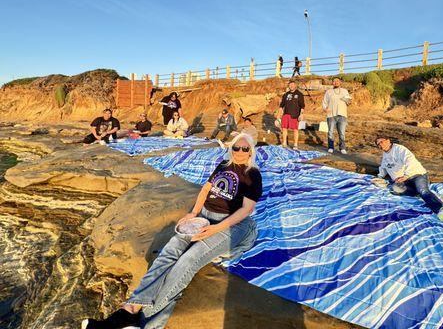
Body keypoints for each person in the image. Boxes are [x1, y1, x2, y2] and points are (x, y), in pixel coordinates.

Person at [81, 133, 262, 329]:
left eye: (245, 149)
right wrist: (192, 213)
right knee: (169, 252)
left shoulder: (252, 174)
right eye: (236, 148)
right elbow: (205, 190)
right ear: (231, 149)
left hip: (231, 224)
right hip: (203, 216)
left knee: (187, 261)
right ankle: (129, 311)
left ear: (250, 151)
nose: (240, 152)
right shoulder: (223, 165)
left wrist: (215, 229)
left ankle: (146, 322)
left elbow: (247, 209)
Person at [373, 135, 443, 223]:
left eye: (381, 141)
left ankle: (442, 210)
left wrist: (406, 175)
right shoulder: (385, 154)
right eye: (378, 144)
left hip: (416, 175)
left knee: (423, 191)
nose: (380, 144)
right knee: (395, 188)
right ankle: (427, 195)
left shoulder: (399, 149)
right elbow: (383, 167)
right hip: (404, 181)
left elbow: (410, 160)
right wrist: (380, 176)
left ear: (388, 140)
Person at [322, 77, 351, 154]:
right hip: (331, 114)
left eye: (337, 81)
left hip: (342, 114)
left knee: (342, 133)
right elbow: (324, 102)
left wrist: (346, 100)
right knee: (330, 132)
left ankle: (342, 148)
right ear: (332, 83)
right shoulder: (329, 92)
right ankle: (331, 147)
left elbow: (349, 101)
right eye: (334, 81)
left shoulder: (344, 91)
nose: (336, 82)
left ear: (340, 82)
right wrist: (325, 108)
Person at [277, 80, 305, 149]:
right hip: (286, 114)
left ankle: (295, 144)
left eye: (293, 85)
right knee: (284, 128)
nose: (291, 86)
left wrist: (301, 114)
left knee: (295, 129)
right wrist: (279, 113)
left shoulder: (299, 94)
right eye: (290, 85)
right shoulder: (286, 94)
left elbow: (302, 106)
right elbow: (282, 105)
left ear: (295, 86)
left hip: (295, 115)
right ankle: (284, 143)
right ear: (289, 86)